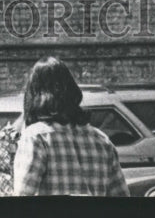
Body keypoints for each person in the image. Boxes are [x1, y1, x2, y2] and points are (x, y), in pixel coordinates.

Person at [13, 56, 129, 197]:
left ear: (34, 95)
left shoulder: (36, 138)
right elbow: (121, 197)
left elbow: (22, 198)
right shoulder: (102, 140)